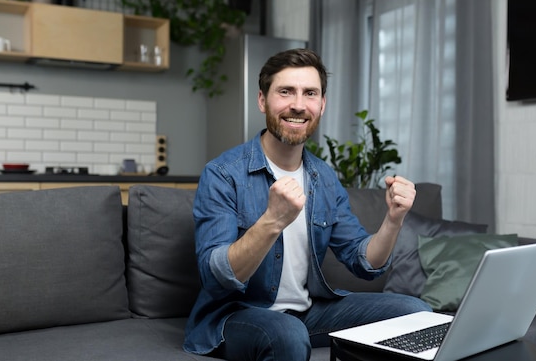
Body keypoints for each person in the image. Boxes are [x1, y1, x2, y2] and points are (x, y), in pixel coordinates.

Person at [183, 48, 431, 361]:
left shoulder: (323, 177)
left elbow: (363, 262)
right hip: (234, 316)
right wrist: (272, 220)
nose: (298, 105)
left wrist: (394, 219)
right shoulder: (223, 174)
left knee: (416, 313)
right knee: (286, 332)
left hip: (308, 314)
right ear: (263, 100)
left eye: (310, 93)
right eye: (285, 91)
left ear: (322, 104)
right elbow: (215, 276)